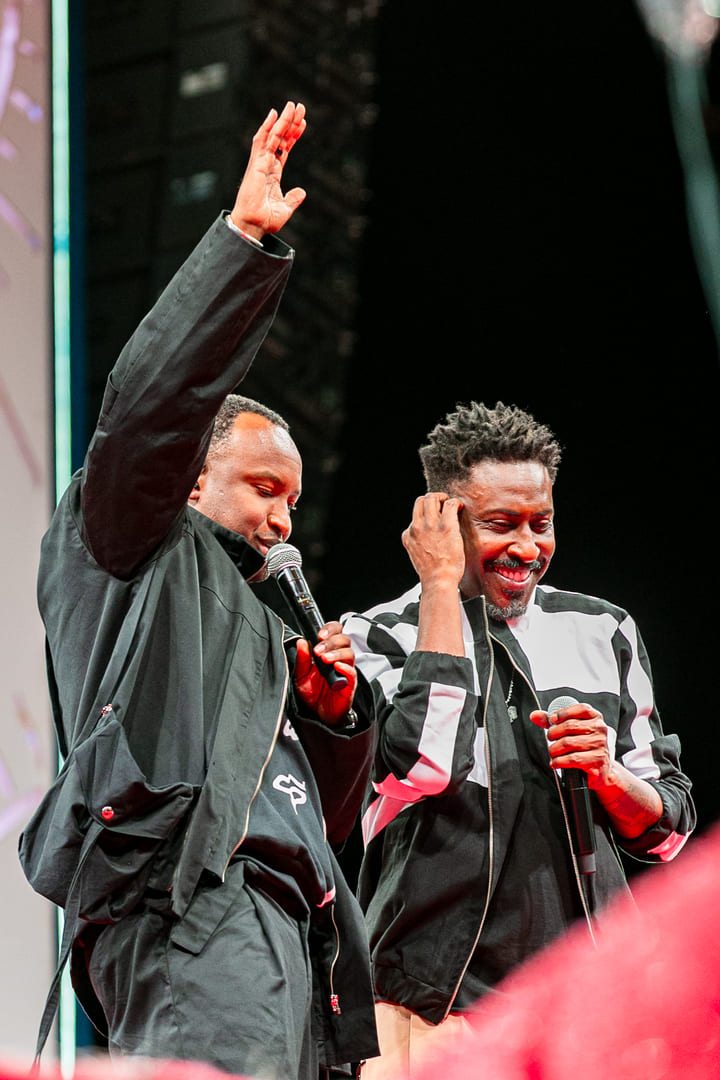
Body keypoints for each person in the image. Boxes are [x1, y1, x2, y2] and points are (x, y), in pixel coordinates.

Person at [19, 102, 378, 1080]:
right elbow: (153, 407)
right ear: (186, 479)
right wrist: (242, 244)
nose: (283, 519)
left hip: (297, 939)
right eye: (263, 487)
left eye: (293, 501)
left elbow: (316, 819)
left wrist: (335, 724)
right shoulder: (132, 543)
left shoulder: (263, 629)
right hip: (194, 913)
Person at [341, 400, 695, 1079]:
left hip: (588, 1008)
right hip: (431, 1005)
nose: (528, 549)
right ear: (440, 520)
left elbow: (669, 832)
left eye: (542, 523)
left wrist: (609, 775)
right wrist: (440, 586)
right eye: (501, 525)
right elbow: (421, 764)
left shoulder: (604, 630)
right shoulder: (376, 635)